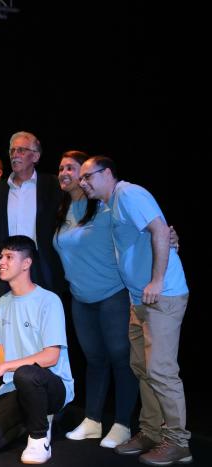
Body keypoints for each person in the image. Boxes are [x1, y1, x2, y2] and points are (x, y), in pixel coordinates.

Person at [79, 156, 192, 465]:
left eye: (88, 175)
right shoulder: (109, 205)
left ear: (109, 173)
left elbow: (158, 230)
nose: (83, 181)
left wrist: (156, 280)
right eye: (82, 178)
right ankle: (152, 431)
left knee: (161, 370)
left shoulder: (129, 193)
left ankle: (178, 441)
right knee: (142, 367)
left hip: (162, 296)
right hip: (139, 299)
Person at [52, 151, 137, 449]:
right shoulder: (63, 208)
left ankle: (124, 424)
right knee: (94, 360)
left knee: (120, 360)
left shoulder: (107, 206)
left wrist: (170, 237)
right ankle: (92, 420)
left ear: (86, 175)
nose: (64, 172)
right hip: (80, 299)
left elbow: (142, 229)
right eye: (61, 167)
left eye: (71, 168)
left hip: (112, 295)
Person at [0, 236, 74, 465]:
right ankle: (34, 420)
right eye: (0, 257)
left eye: (9, 257)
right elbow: (0, 354)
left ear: (26, 264)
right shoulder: (4, 302)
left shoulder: (49, 300)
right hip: (17, 387)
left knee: (26, 373)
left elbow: (51, 356)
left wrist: (4, 367)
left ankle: (39, 438)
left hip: (51, 385)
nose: (1, 262)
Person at [0, 131, 65, 306]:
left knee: (43, 326)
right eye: (12, 151)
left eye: (21, 150)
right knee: (9, 328)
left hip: (43, 269)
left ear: (35, 156)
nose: (15, 155)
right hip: (6, 271)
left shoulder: (53, 185)